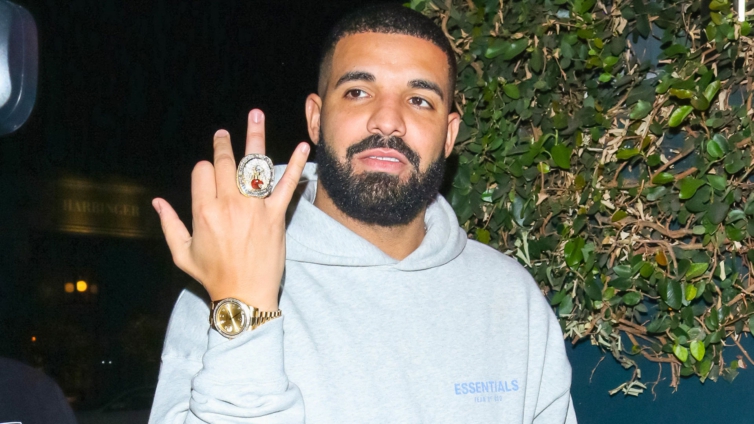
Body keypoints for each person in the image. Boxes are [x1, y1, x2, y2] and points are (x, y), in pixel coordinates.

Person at [149, 5, 577, 423]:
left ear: (449, 136)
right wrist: (246, 305)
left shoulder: (510, 298)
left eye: (419, 100)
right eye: (358, 92)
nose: (387, 121)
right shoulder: (224, 283)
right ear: (316, 118)